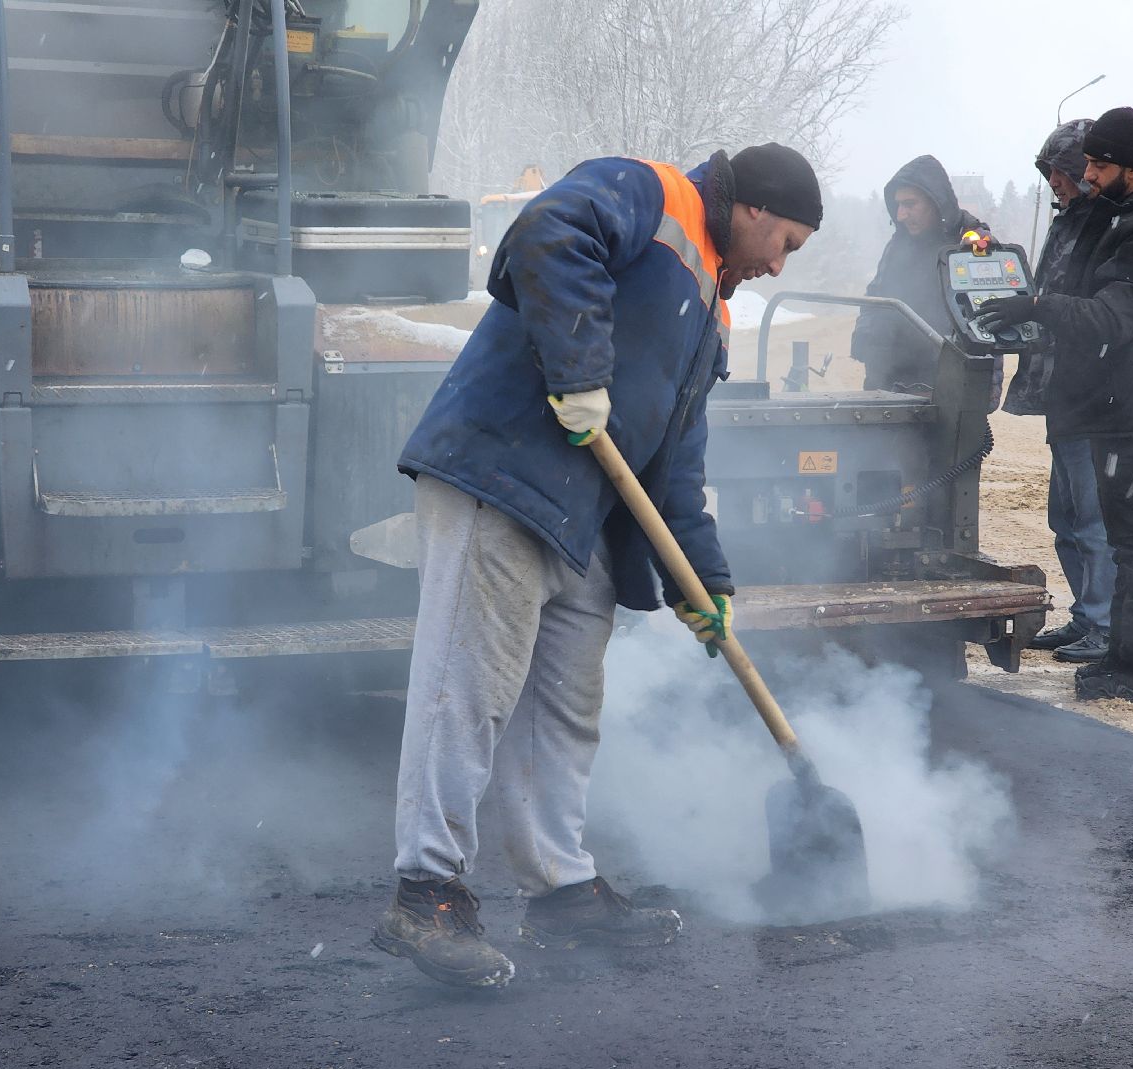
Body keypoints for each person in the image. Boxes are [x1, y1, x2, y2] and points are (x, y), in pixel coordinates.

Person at [375, 144, 822, 988]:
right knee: (466, 690)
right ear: (755, 208)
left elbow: (676, 466)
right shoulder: (647, 194)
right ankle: (425, 891)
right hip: (500, 475)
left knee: (565, 709)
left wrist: (706, 582)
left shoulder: (711, 316)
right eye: (788, 242)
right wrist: (578, 370)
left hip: (584, 521)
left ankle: (561, 892)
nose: (778, 263)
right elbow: (547, 232)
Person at [980, 107, 1133, 705]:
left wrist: (1037, 305)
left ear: (1131, 168)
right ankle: (1125, 655)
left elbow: (1113, 317)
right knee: (1128, 536)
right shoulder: (1132, 216)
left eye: (1099, 163)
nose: (1088, 173)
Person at [1003, 119, 1116, 664]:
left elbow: (1097, 314)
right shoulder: (1069, 221)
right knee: (1064, 517)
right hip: (1061, 391)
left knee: (1092, 519)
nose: (1055, 182)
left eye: (1063, 172)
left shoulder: (1108, 225)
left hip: (1092, 395)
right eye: (1049, 173)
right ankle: (1085, 615)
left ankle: (1103, 621)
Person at [850, 155, 991, 393]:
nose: (901, 215)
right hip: (890, 376)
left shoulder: (972, 243)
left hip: (947, 381)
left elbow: (984, 315)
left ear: (936, 202)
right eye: (898, 206)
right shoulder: (899, 245)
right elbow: (876, 294)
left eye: (910, 204)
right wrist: (868, 335)